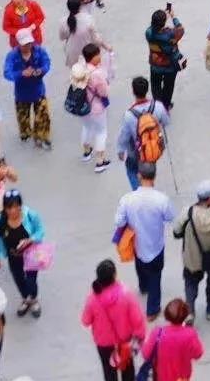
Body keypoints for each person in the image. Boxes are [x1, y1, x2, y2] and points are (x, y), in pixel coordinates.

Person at [81, 257, 146, 381]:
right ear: (114, 275)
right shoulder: (126, 294)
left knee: (108, 369)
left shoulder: (92, 299)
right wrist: (140, 335)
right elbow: (137, 318)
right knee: (126, 362)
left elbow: (86, 321)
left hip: (103, 342)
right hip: (124, 338)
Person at [114, 161, 175, 320]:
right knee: (156, 275)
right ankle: (152, 310)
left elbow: (119, 222)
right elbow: (170, 217)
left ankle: (143, 286)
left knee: (140, 266)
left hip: (137, 244)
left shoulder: (127, 199)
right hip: (156, 245)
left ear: (139, 176)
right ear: (154, 176)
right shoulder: (162, 199)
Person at [141, 296, 204, 381]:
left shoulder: (157, 332)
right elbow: (198, 354)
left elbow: (146, 354)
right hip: (180, 380)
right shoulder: (189, 334)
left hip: (160, 376)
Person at [174, 180, 210, 320]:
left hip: (192, 257)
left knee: (190, 283)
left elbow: (176, 232)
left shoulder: (187, 213)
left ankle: (189, 311)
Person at [0, 189, 45, 318]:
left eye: (16, 206)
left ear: (20, 205)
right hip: (13, 256)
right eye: (9, 207)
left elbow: (40, 231)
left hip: (31, 254)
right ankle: (26, 299)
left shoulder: (31, 216)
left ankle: (34, 299)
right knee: (19, 280)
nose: (13, 211)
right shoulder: (0, 220)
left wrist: (31, 239)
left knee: (31, 281)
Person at [3, 29, 52, 148]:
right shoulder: (12, 56)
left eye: (29, 43)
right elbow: (7, 73)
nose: (27, 46)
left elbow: (46, 63)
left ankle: (42, 136)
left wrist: (41, 70)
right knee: (23, 118)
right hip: (22, 93)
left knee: (43, 116)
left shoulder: (39, 51)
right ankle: (25, 133)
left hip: (38, 90)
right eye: (24, 44)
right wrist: (21, 74)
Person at [72, 43, 112, 171]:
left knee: (87, 127)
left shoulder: (79, 69)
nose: (100, 57)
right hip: (96, 107)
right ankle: (100, 161)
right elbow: (103, 92)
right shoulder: (97, 74)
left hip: (83, 105)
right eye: (98, 54)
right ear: (93, 57)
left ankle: (86, 152)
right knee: (101, 132)